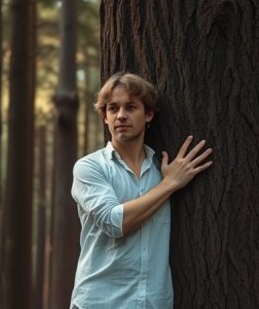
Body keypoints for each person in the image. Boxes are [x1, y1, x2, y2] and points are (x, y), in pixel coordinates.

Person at [70, 72, 213, 309]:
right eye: (113, 108)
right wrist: (170, 185)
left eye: (131, 107)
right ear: (105, 117)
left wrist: (168, 180)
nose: (121, 116)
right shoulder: (90, 168)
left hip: (153, 303)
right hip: (100, 303)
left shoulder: (162, 170)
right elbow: (114, 222)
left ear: (148, 114)